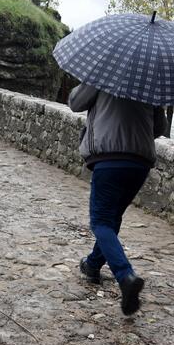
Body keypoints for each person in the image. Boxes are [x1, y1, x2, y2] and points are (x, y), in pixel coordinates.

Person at [68, 83, 166, 316]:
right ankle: (92, 265)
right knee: (112, 218)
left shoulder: (103, 77)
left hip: (109, 158)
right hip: (140, 163)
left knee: (101, 222)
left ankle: (125, 275)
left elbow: (75, 103)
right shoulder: (151, 84)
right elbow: (159, 128)